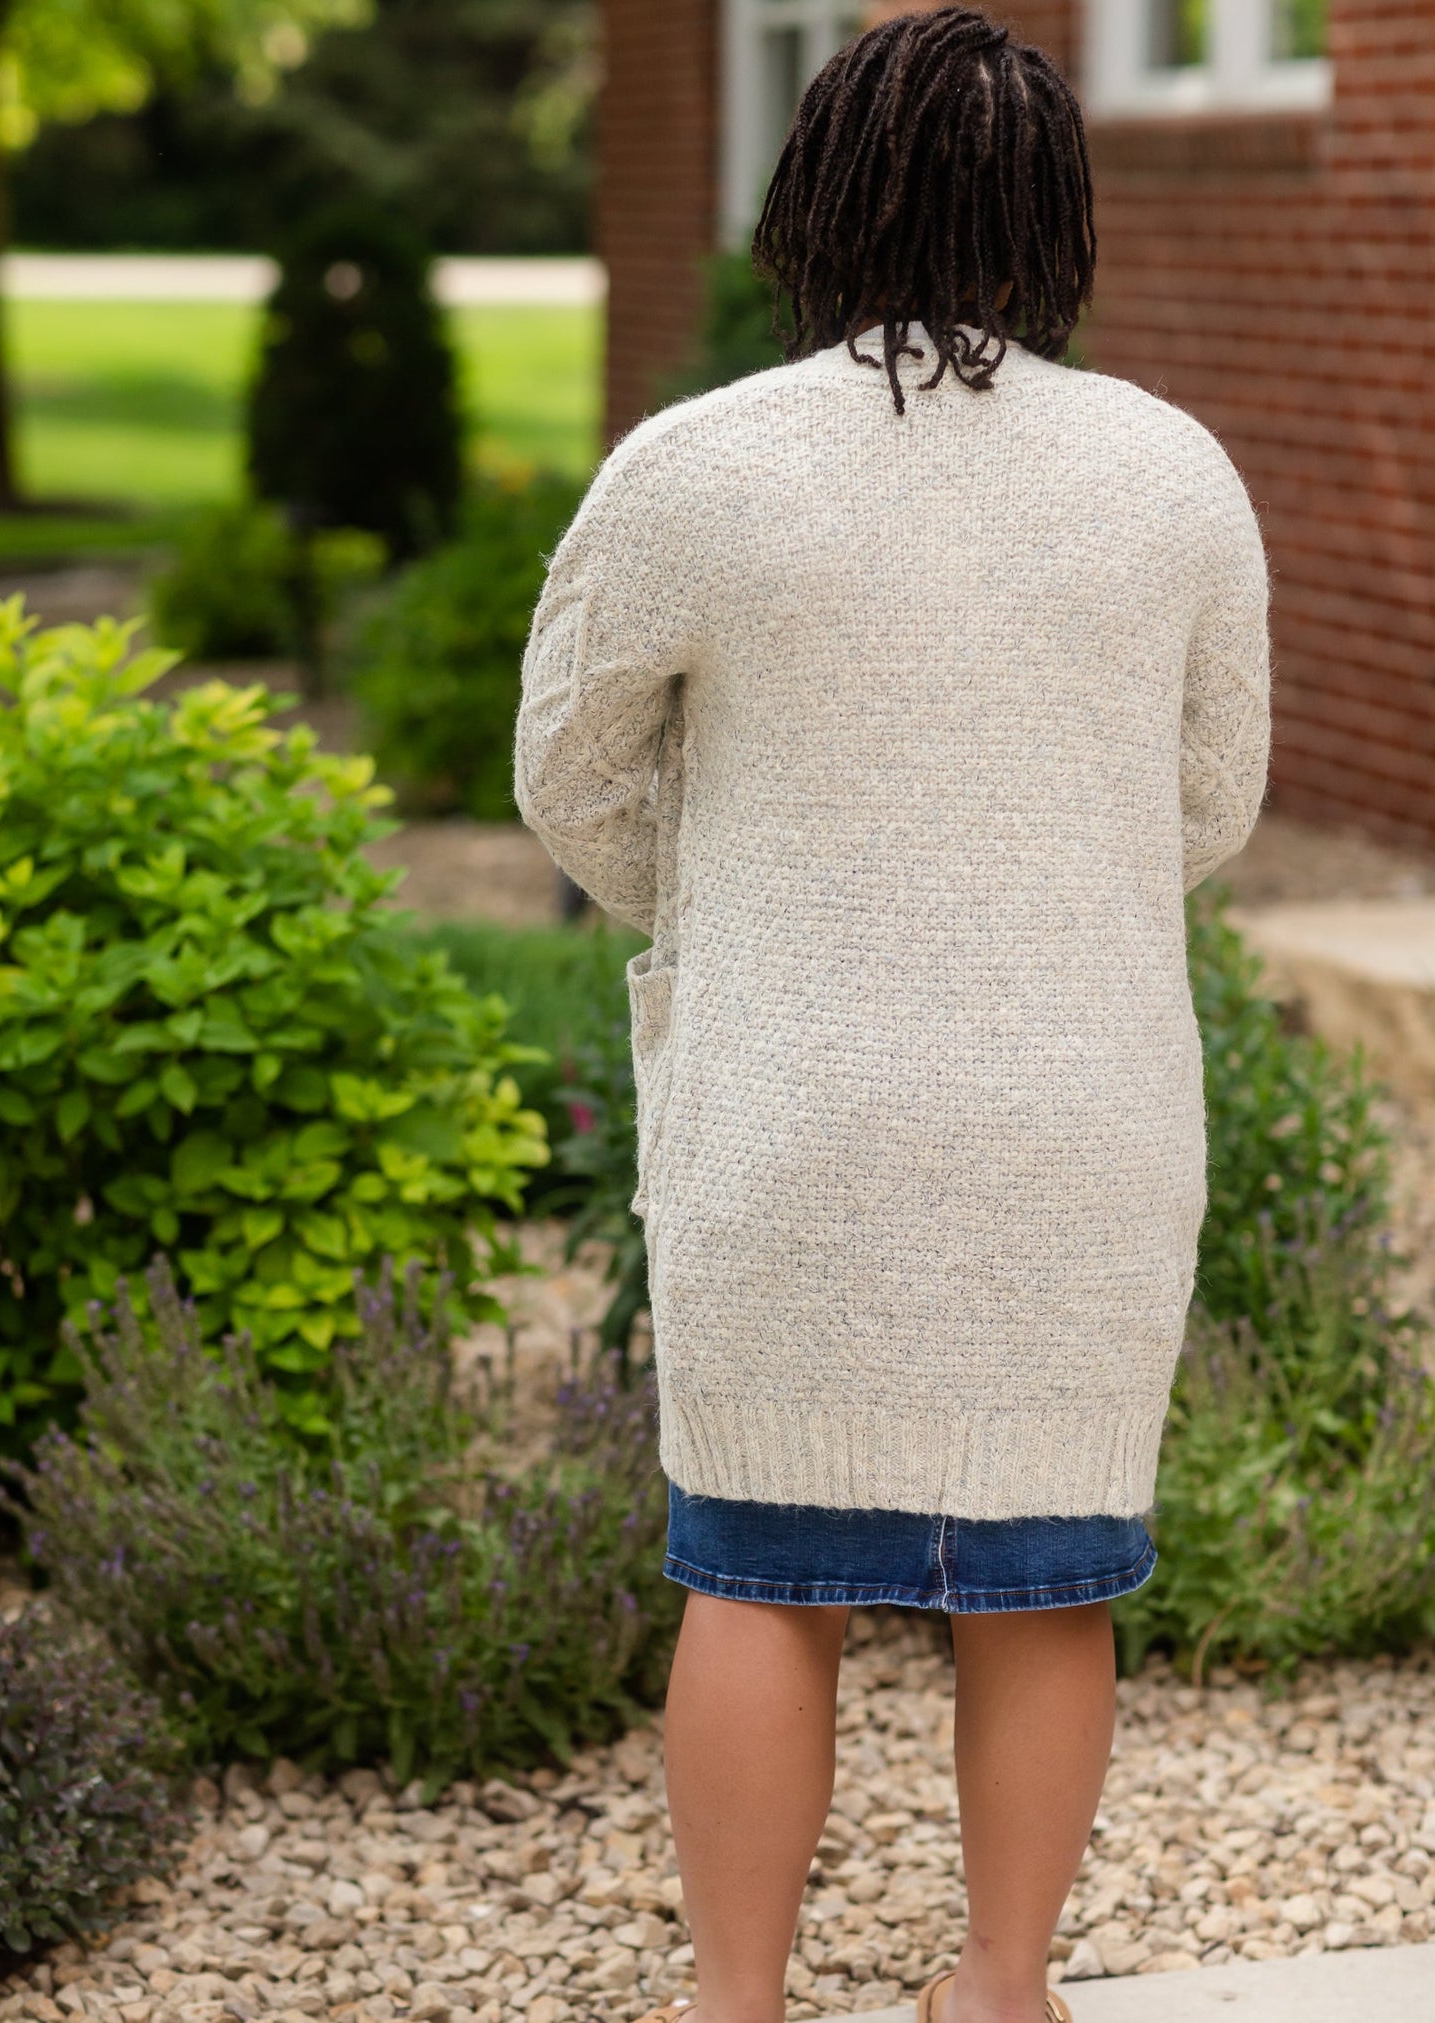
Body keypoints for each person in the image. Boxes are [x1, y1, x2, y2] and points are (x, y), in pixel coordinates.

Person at [513, 9, 1271, 2023]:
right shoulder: (1174, 479)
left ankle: (735, 2004)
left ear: (817, 197)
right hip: (1084, 1116)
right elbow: (1210, 805)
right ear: (1050, 215)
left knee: (760, 1575)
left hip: (794, 1110)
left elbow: (564, 771)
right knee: (1047, 1579)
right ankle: (1000, 1986)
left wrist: (759, 897)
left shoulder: (696, 467)